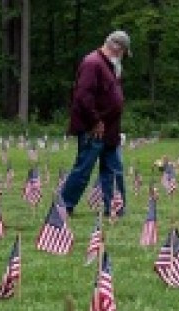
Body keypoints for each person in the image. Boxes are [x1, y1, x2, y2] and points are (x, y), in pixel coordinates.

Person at [60, 30, 130, 218]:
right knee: (83, 169)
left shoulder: (108, 66)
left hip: (110, 129)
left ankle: (114, 208)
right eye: (123, 51)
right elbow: (83, 96)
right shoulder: (93, 63)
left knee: (114, 169)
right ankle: (64, 206)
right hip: (94, 129)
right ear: (116, 47)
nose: (123, 56)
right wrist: (95, 121)